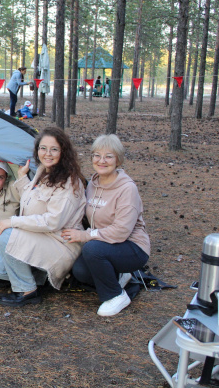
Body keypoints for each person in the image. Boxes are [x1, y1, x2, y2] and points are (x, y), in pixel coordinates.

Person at [0, 127, 86, 307]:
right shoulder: (43, 172)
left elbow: (52, 221)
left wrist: (13, 222)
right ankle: (43, 277)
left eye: (54, 149)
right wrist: (23, 178)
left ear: (63, 152)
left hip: (59, 243)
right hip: (40, 239)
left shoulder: (69, 182)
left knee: (8, 237)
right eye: (43, 148)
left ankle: (27, 291)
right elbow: (34, 204)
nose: (47, 153)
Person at [63, 134, 150, 317]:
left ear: (118, 160)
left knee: (92, 250)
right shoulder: (93, 184)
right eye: (97, 155)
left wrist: (86, 236)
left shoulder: (127, 189)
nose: (101, 161)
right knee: (80, 271)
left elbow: (121, 232)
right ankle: (120, 276)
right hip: (105, 244)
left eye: (108, 156)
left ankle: (115, 296)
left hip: (132, 247)